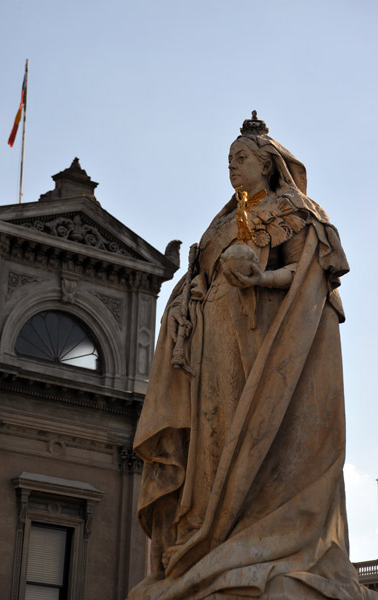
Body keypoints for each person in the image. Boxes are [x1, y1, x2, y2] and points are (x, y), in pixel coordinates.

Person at [128, 113, 376, 599]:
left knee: (255, 434)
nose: (232, 168)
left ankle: (249, 534)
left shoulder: (295, 211)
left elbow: (309, 276)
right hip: (211, 341)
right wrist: (184, 305)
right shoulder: (220, 225)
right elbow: (197, 281)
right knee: (213, 443)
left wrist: (261, 279)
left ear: (268, 164)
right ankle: (207, 531)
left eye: (240, 159)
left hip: (263, 344)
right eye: (228, 161)